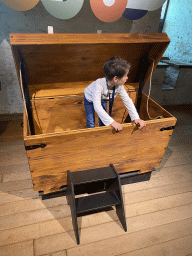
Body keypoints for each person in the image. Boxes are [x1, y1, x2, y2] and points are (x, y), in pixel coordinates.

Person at [84, 56, 146, 131]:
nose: (127, 78)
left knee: (103, 122)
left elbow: (128, 101)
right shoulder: (99, 84)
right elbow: (97, 107)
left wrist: (136, 118)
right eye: (126, 75)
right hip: (89, 99)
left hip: (102, 99)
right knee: (91, 122)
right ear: (115, 78)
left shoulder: (119, 86)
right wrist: (112, 122)